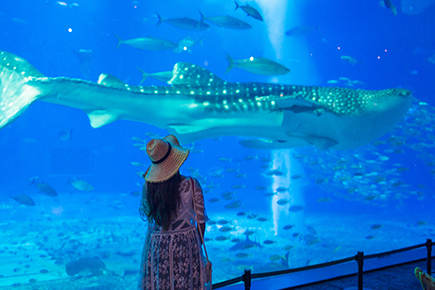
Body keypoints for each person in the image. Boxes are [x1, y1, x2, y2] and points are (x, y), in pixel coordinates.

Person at [137, 134, 209, 290]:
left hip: (157, 245)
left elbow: (149, 216)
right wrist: (195, 245)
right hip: (186, 244)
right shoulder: (191, 184)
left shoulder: (148, 187)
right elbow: (201, 222)